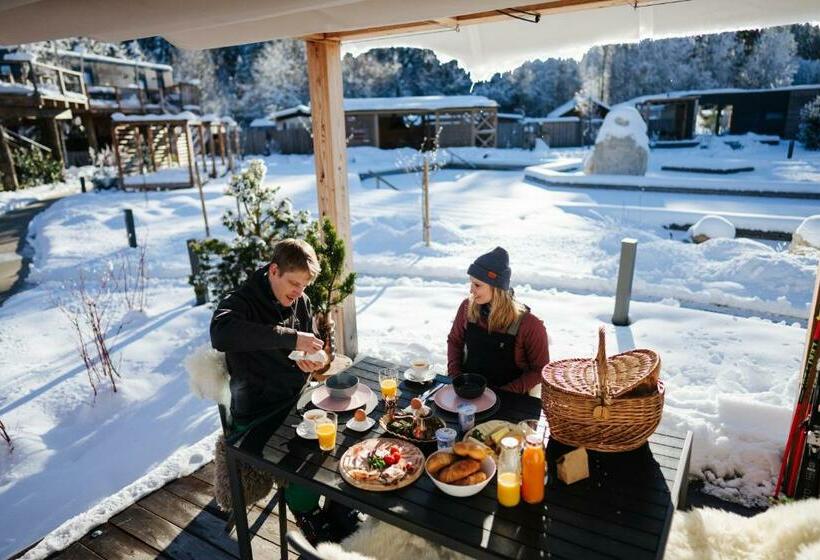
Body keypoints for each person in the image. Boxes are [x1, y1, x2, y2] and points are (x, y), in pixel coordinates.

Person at [210, 238, 359, 544]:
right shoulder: (241, 301)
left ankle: (338, 506)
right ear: (274, 270)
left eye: (304, 285)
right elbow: (221, 334)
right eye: (294, 283)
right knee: (301, 459)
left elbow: (312, 348)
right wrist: (291, 338)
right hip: (258, 415)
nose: (299, 292)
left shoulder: (300, 301)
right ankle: (309, 516)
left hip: (299, 401)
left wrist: (312, 361)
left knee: (346, 434)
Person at [447, 247, 549, 394]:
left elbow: (540, 370)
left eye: (477, 285)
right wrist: (456, 377)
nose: (471, 290)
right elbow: (454, 341)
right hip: (468, 390)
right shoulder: (466, 307)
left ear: (497, 288)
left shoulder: (529, 325)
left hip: (509, 397)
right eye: (471, 283)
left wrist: (505, 393)